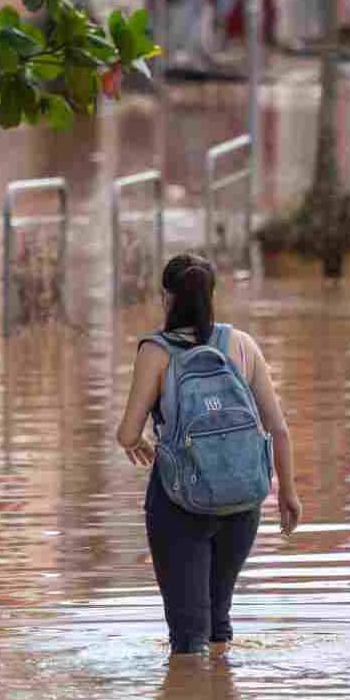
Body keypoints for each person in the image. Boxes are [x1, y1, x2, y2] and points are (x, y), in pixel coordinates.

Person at [118, 254, 301, 655]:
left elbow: (128, 432)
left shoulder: (156, 352)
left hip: (179, 504)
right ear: (210, 296)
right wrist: (287, 493)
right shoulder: (242, 345)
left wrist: (139, 443)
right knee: (219, 626)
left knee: (187, 639)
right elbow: (279, 428)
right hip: (242, 504)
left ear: (166, 298)